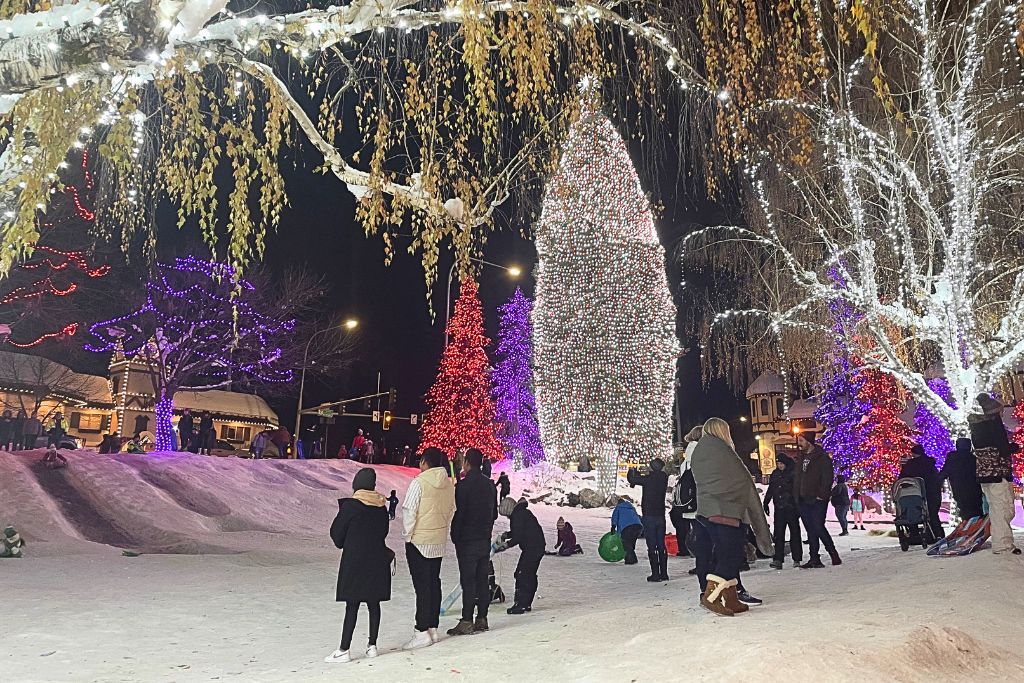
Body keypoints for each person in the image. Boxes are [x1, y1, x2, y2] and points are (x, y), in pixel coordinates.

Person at [690, 417, 773, 616]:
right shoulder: (721, 450)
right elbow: (741, 480)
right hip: (727, 512)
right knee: (732, 555)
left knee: (725, 554)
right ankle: (711, 597)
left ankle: (731, 598)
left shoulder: (700, 450)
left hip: (708, 511)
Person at [324, 468, 392, 664]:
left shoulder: (351, 506)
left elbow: (337, 534)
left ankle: (344, 649)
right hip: (377, 559)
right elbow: (383, 533)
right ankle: (372, 646)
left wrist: (349, 542)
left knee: (352, 604)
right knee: (374, 602)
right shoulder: (381, 506)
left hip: (355, 560)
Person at [402, 447, 456, 649]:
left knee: (422, 587)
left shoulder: (419, 482)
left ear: (425, 461)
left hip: (419, 541)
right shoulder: (449, 485)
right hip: (438, 540)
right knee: (434, 583)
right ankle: (433, 627)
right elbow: (451, 510)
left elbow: (409, 510)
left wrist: (408, 536)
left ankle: (421, 630)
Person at [448, 448, 498, 636]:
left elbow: (460, 513)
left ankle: (467, 619)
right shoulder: (490, 485)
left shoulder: (463, 486)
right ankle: (482, 617)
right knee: (481, 579)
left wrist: (455, 534)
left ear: (467, 463)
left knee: (468, 580)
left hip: (467, 540)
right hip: (484, 538)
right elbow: (494, 514)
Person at [968, 394, 1020, 555]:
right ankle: (1003, 545)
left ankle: (1002, 542)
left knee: (996, 507)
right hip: (998, 472)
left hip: (985, 473)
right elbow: (1002, 448)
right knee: (1004, 508)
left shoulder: (976, 426)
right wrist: (1014, 447)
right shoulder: (993, 424)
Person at [794, 432, 842, 568]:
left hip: (817, 499)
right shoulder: (801, 458)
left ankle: (832, 552)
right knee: (810, 529)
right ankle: (814, 558)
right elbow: (798, 478)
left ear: (809, 442)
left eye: (801, 440)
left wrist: (821, 495)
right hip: (803, 499)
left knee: (818, 526)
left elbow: (827, 477)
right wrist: (796, 495)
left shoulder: (822, 458)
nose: (799, 443)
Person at [497, 496, 546, 614]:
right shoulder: (521, 512)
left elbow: (518, 536)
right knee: (528, 574)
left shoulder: (517, 515)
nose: (508, 518)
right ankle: (526, 603)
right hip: (536, 546)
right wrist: (506, 535)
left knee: (522, 574)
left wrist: (505, 545)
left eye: (506, 515)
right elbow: (519, 531)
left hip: (533, 548)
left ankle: (521, 604)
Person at [626, 457, 670, 582]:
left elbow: (632, 479)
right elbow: (650, 477)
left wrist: (632, 470)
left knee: (652, 545)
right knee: (661, 545)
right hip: (660, 515)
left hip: (649, 515)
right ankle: (664, 573)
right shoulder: (663, 477)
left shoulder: (649, 478)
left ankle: (655, 574)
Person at [763, 454, 802, 569]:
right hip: (779, 508)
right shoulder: (775, 474)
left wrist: (798, 505)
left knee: (794, 533)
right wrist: (766, 502)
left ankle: (797, 558)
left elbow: (798, 490)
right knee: (778, 534)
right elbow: (771, 488)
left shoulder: (793, 473)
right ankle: (778, 559)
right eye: (778, 464)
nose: (779, 466)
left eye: (781, 464)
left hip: (791, 508)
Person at [899, 443, 945, 540]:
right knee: (932, 514)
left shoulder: (910, 465)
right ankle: (937, 533)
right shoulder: (930, 464)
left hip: (914, 494)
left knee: (913, 512)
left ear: (914, 454)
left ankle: (914, 534)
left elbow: (902, 479)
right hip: (933, 493)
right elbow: (936, 478)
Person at [670, 427, 702, 558]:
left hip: (688, 500)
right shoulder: (700, 453)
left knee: (692, 530)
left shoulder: (687, 458)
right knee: (701, 532)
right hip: (698, 499)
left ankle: (695, 556)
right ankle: (702, 559)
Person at [938, 438, 984, 520]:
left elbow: (944, 473)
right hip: (975, 489)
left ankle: (969, 528)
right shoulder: (974, 458)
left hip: (959, 489)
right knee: (976, 511)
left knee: (965, 511)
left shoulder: (952, 458)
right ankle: (976, 528)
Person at [611, 498, 644, 565]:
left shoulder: (618, 508)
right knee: (631, 544)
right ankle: (633, 559)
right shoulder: (631, 507)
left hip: (627, 528)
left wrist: (613, 527)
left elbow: (614, 518)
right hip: (638, 527)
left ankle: (630, 560)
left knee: (626, 544)